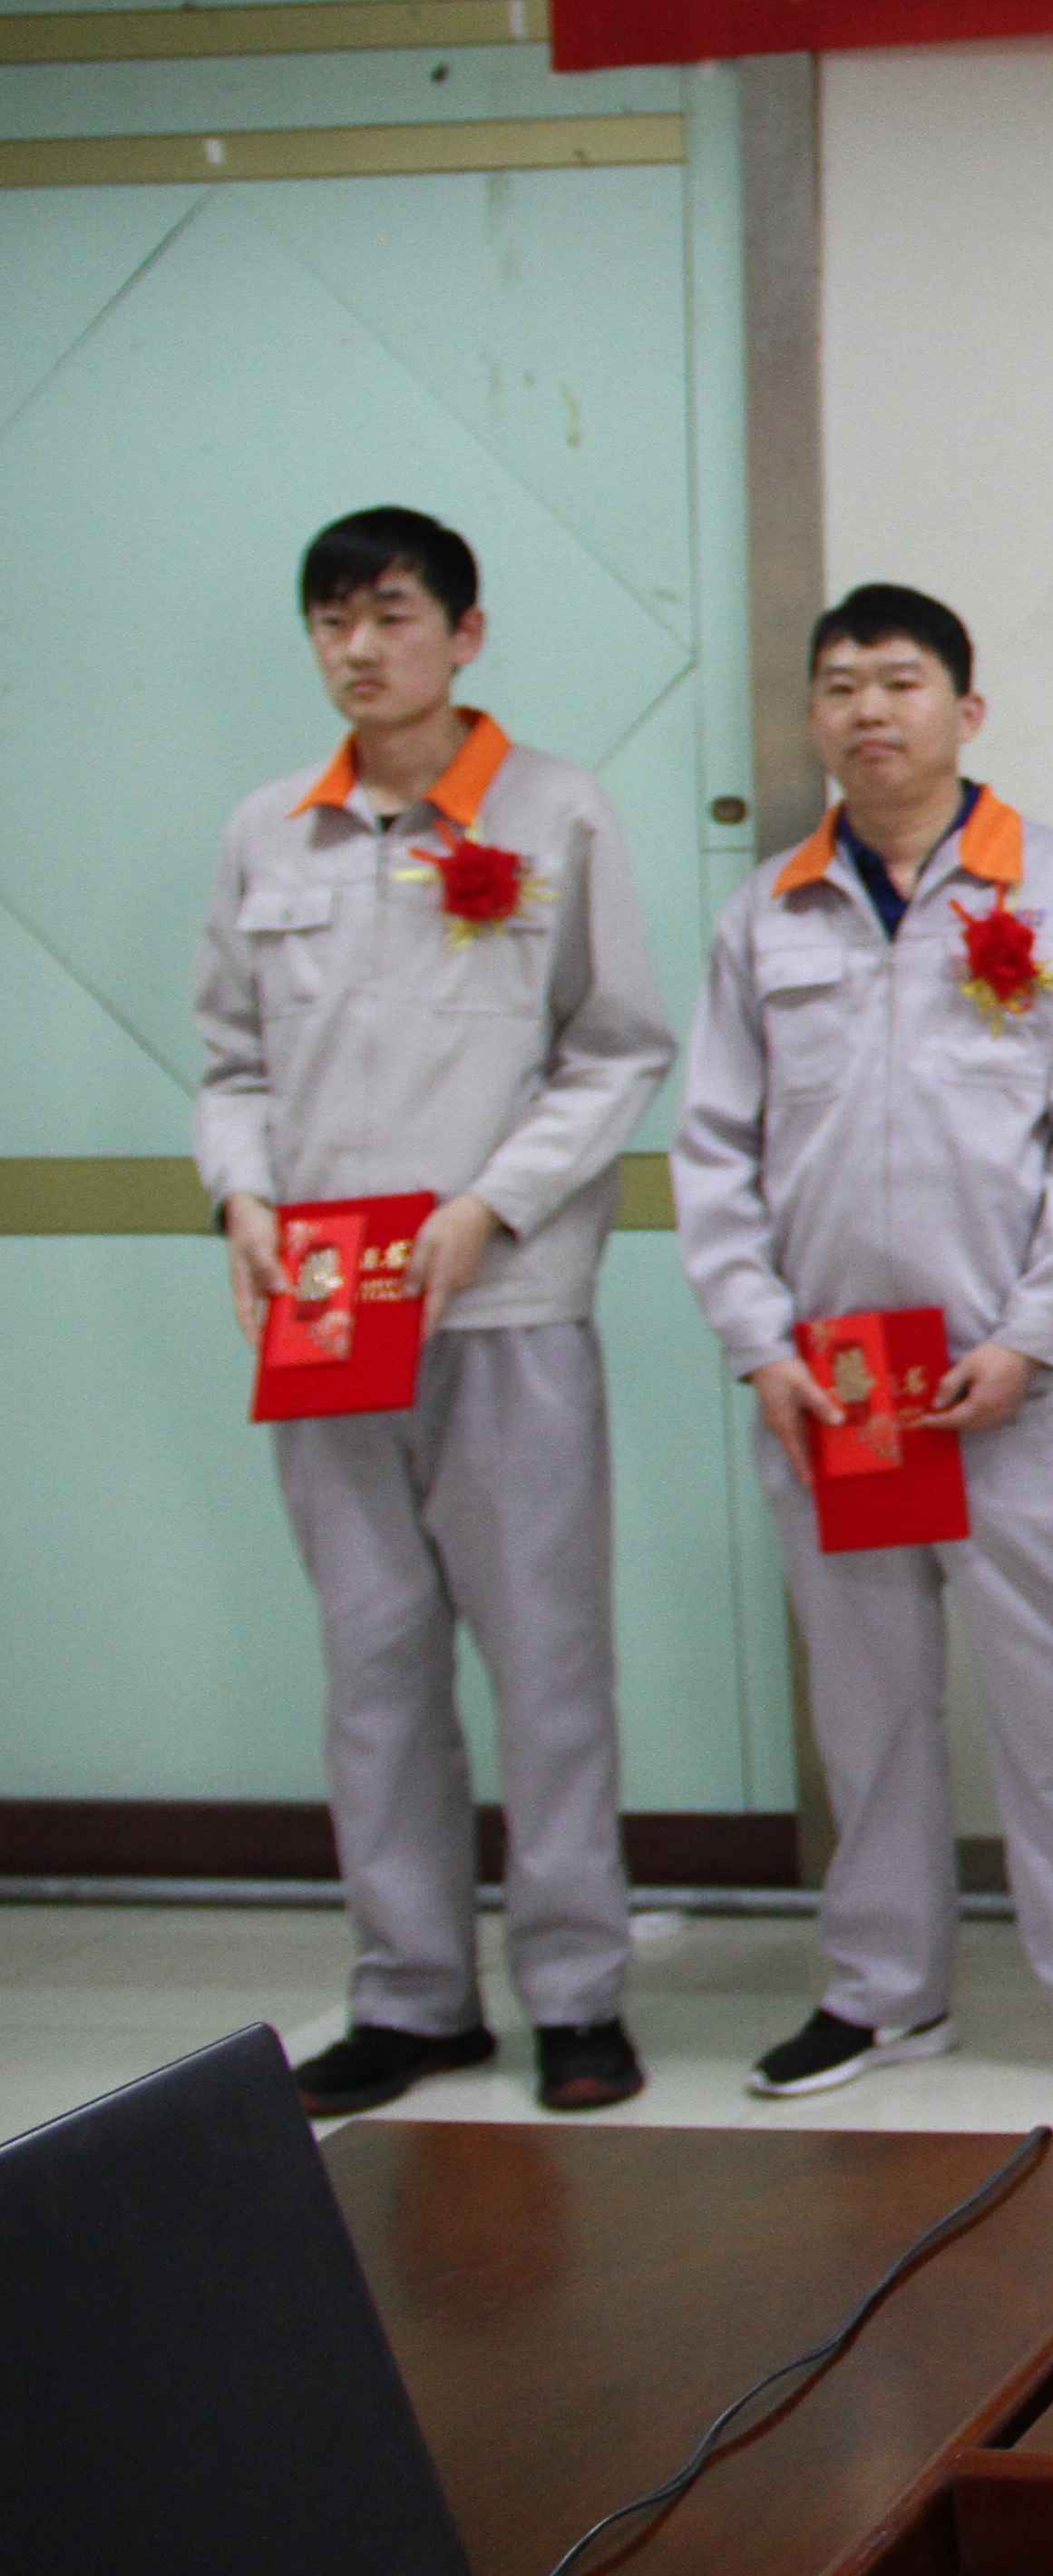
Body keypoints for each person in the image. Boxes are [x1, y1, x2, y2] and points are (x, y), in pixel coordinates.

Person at [198, 506, 674, 2117]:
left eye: (392, 614)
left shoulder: (557, 811)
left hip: (505, 1304)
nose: (359, 647)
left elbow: (615, 1047)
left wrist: (492, 1206)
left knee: (548, 1669)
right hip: (328, 1320)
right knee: (374, 1664)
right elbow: (230, 1062)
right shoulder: (270, 831)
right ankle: (409, 1996)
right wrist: (242, 1199)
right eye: (332, 619)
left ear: (465, 635)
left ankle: (577, 1995)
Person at [675, 582, 1053, 2111]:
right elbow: (714, 1148)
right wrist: (759, 1343)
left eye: (900, 681)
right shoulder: (768, 915)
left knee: (1049, 1696)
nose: (869, 711)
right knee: (866, 1704)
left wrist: (1034, 1335)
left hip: (1001, 1381)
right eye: (840, 686)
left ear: (967, 709)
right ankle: (883, 1993)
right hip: (836, 1384)